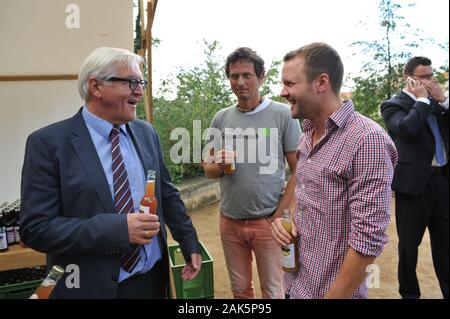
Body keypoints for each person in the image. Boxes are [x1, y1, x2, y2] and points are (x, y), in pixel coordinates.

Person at [20, 47, 202, 299]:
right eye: (131, 82)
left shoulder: (146, 134)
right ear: (96, 87)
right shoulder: (48, 144)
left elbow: (167, 194)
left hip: (151, 282)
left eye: (142, 82)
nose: (139, 90)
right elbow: (36, 229)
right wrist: (117, 230)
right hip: (88, 288)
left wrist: (188, 240)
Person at [271, 42, 398, 299]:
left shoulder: (367, 140)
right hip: (295, 286)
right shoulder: (306, 133)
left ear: (321, 82)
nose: (282, 92)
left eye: (290, 83)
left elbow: (368, 240)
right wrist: (284, 222)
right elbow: (304, 195)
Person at [203, 47, 301, 299]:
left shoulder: (283, 115)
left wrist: (278, 216)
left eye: (247, 75)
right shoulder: (221, 118)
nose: (240, 82)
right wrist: (220, 165)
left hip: (268, 221)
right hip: (230, 222)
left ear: (261, 77)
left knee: (273, 290)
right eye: (234, 76)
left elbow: (299, 170)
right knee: (240, 290)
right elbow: (208, 170)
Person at [380, 56, 449, 299]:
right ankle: (409, 295)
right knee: (409, 248)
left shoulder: (437, 103)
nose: (430, 81)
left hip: (443, 182)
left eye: (432, 75)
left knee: (445, 248)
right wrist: (421, 99)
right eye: (424, 77)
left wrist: (443, 100)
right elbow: (407, 128)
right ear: (409, 78)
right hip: (413, 187)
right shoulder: (392, 105)